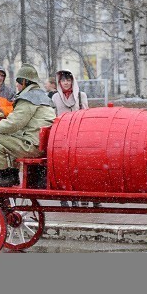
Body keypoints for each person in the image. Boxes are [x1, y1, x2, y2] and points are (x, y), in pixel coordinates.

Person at [0, 63, 56, 187]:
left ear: (24, 81)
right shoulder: (41, 96)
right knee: (9, 138)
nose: (16, 85)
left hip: (32, 147)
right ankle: (12, 175)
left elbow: (14, 123)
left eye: (18, 81)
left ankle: (4, 176)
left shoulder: (28, 98)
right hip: (42, 145)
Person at [52, 69, 90, 207]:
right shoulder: (55, 97)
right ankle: (64, 196)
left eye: (68, 80)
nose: (66, 83)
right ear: (59, 82)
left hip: (77, 136)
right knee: (62, 167)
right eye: (63, 80)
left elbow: (85, 114)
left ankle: (81, 195)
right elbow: (53, 116)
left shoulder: (81, 96)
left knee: (79, 167)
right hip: (61, 137)